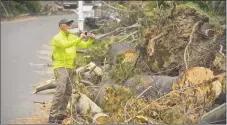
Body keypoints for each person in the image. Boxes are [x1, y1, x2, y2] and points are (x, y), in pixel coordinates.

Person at [48, 18, 95, 124]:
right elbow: (65, 45)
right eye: (68, 24)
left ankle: (60, 113)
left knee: (68, 91)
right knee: (60, 90)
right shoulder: (57, 38)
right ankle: (52, 116)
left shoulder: (72, 37)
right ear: (61, 26)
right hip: (60, 67)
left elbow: (85, 45)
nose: (70, 26)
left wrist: (90, 39)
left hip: (70, 68)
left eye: (70, 24)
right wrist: (79, 39)